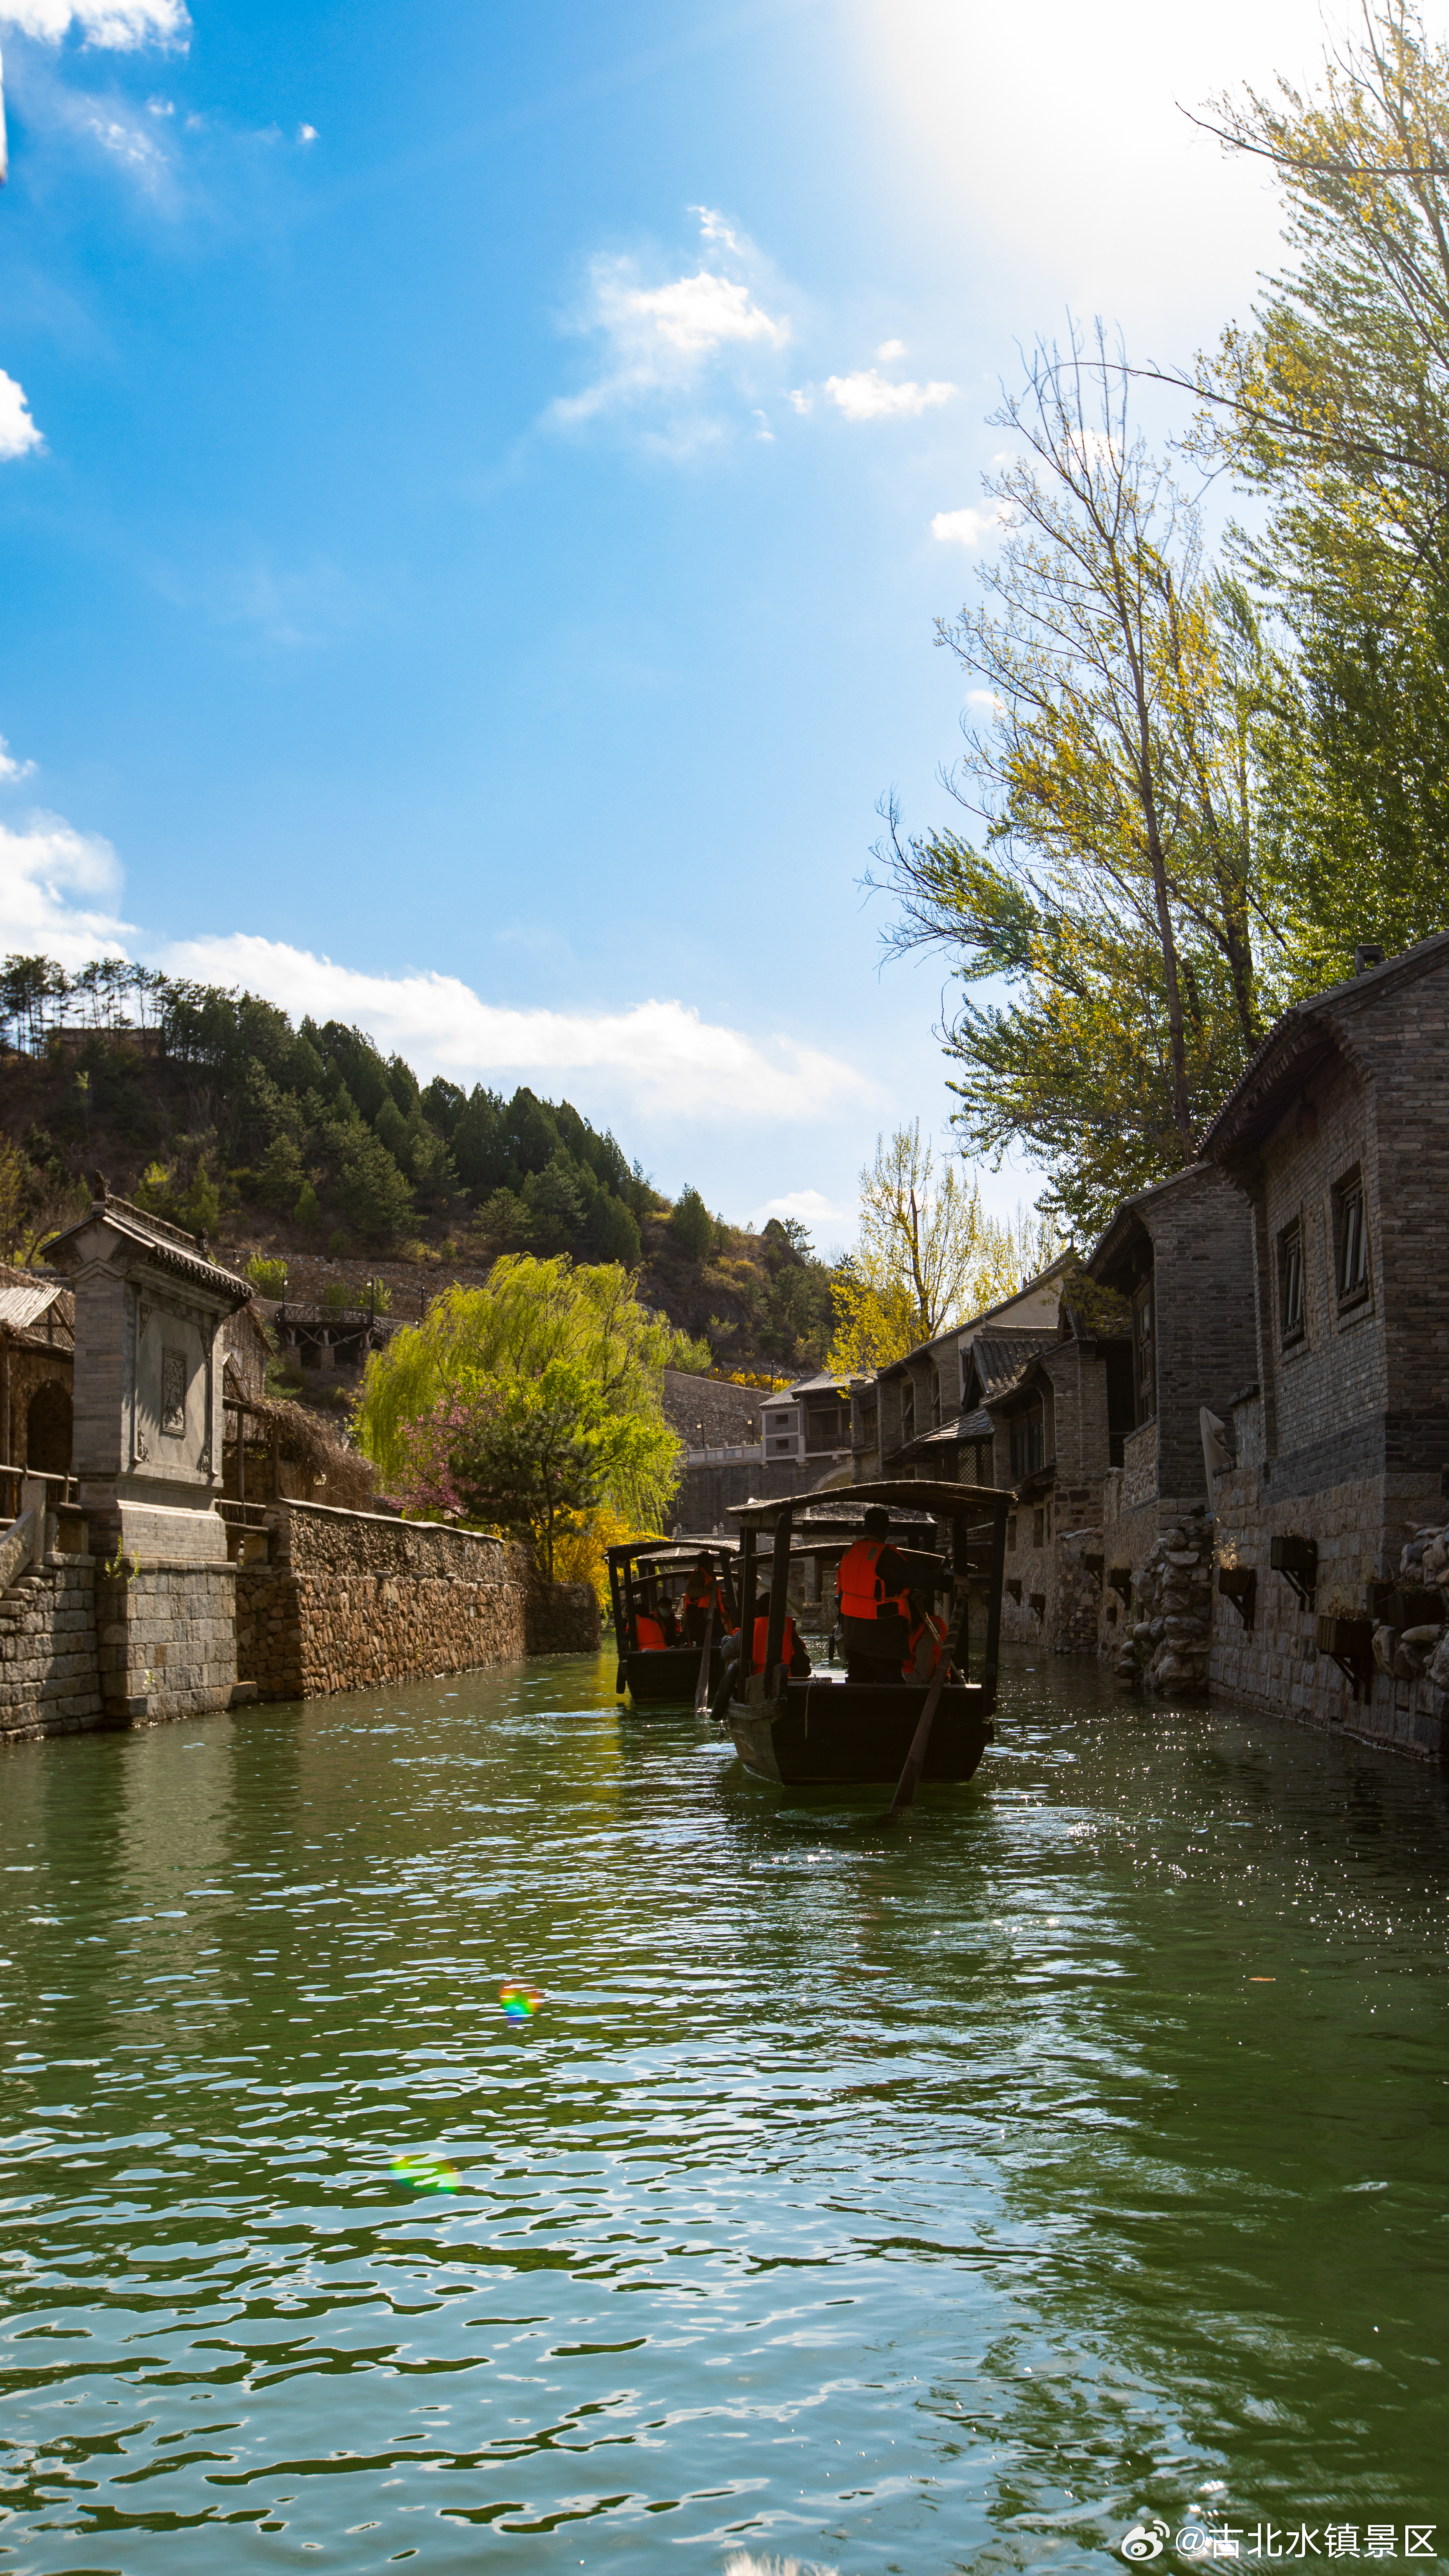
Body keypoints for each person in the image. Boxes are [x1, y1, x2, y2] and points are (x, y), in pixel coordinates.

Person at [836, 1505, 917, 1683]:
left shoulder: (850, 1552)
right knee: (890, 1680)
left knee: (858, 1678)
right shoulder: (885, 1556)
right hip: (882, 1635)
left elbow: (845, 1592)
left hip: (853, 1633)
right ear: (888, 1530)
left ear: (865, 1528)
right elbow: (914, 1576)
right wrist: (950, 1582)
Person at [680, 1553, 733, 1647]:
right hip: (702, 1620)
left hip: (709, 1617)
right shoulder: (699, 1575)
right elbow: (691, 1592)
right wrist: (709, 1589)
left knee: (715, 1639)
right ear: (710, 1564)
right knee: (711, 1642)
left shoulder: (707, 1575)